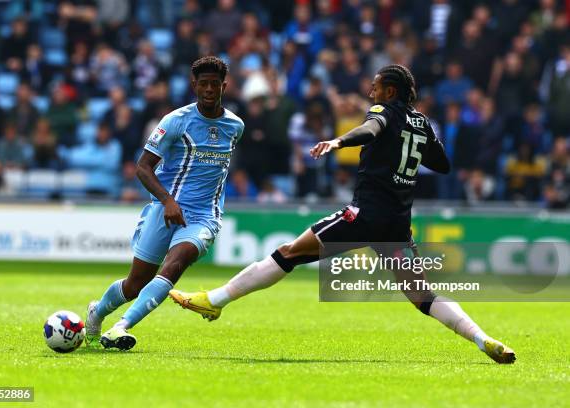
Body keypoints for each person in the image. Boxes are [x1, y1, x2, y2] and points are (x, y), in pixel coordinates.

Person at [169, 64, 516, 365]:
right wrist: (414, 139)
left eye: (376, 86)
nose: (371, 91)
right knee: (422, 295)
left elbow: (372, 129)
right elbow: (442, 164)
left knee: (288, 253)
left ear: (390, 91)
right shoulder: (421, 122)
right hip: (397, 224)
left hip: (363, 216)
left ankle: (215, 301)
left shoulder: (385, 111)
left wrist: (339, 142)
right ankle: (481, 338)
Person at [85, 57, 244, 350]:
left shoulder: (235, 125)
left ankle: (120, 327)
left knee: (174, 265)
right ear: (194, 85)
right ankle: (97, 312)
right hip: (164, 209)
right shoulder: (175, 121)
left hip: (203, 216)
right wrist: (168, 200)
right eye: (203, 83)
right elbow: (143, 167)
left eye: (214, 84)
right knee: (134, 285)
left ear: (224, 86)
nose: (209, 89)